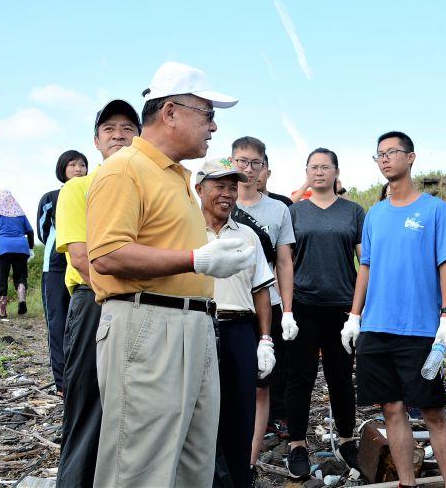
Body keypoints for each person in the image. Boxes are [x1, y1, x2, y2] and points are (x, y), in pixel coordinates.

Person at [86, 62, 255, 487]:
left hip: (194, 325)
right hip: (147, 326)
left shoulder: (177, 178)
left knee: (192, 463)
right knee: (139, 467)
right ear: (171, 112)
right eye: (208, 114)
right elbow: (106, 255)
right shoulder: (124, 169)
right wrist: (196, 260)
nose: (214, 127)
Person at [341, 130, 446, 488]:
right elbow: (366, 267)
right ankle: (406, 483)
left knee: (433, 412)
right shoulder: (375, 215)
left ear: (411, 157)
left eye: (393, 152)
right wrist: (354, 316)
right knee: (391, 409)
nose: (385, 158)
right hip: (377, 327)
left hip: (420, 329)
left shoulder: (435, 210)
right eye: (379, 154)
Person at [54, 101, 139, 487]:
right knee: (88, 402)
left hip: (142, 305)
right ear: (96, 141)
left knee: (135, 406)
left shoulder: (145, 185)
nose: (119, 135)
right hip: (96, 302)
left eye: (127, 127)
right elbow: (82, 257)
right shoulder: (78, 187)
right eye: (109, 129)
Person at [285, 148, 365, 477]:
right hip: (303, 305)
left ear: (336, 172)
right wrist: (286, 309)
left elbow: (366, 263)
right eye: (313, 167)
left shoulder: (353, 212)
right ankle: (297, 445)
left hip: (341, 307)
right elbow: (284, 262)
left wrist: (359, 312)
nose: (319, 172)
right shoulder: (294, 213)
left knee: (341, 376)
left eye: (325, 167)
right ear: (306, 172)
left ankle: (346, 440)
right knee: (299, 378)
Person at [195, 158, 275, 488]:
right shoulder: (184, 230)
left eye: (233, 187)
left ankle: (240, 480)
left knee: (239, 415)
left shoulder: (249, 236)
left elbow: (261, 291)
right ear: (199, 189)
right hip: (198, 326)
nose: (227, 193)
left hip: (240, 329)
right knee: (199, 414)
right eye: (219, 186)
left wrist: (265, 339)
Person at [230, 136, 297, 467]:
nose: (248, 169)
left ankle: (251, 461)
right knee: (228, 383)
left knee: (261, 384)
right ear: (230, 164)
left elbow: (284, 262)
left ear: (265, 168)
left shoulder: (278, 209)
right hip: (227, 306)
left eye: (255, 163)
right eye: (241, 162)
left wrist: (288, 310)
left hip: (266, 307)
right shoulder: (218, 202)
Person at [37, 150, 87, 393]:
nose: (78, 169)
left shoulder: (92, 191)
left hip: (84, 264)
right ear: (62, 169)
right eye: (72, 165)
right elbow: (43, 231)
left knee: (81, 322)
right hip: (56, 266)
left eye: (82, 165)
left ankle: (81, 376)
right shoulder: (51, 197)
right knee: (57, 323)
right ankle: (62, 383)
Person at [0, 189, 34, 318]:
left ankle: (1, 311)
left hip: (1, 248)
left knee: (1, 278)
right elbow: (30, 232)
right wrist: (30, 248)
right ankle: (21, 298)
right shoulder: (20, 214)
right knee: (20, 276)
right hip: (21, 247)